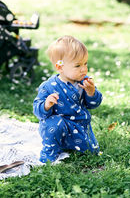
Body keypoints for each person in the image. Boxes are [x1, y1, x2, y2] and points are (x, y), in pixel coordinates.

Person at [33, 35, 103, 163]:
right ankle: (50, 150)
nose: (84, 69)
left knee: (90, 151)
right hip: (58, 126)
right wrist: (46, 105)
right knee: (53, 124)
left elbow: (93, 104)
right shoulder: (48, 86)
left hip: (79, 125)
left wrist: (91, 92)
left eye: (85, 63)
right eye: (77, 66)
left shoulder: (84, 82)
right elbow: (37, 111)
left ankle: (74, 145)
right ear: (60, 67)